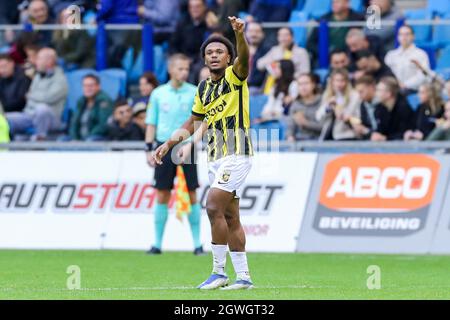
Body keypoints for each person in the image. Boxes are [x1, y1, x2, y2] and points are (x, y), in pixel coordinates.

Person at [153, 17, 254, 290]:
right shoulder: (203, 88)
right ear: (204, 59)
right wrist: (168, 144)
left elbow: (245, 58)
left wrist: (239, 35)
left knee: (211, 206)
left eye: (220, 51)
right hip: (215, 156)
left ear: (229, 57)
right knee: (231, 216)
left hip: (237, 153)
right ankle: (244, 277)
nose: (214, 55)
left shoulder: (235, 76)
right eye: (209, 52)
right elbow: (193, 122)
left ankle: (219, 272)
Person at [145, 54, 203, 255]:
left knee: (192, 192)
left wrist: (192, 144)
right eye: (180, 69)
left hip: (187, 145)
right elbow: (151, 123)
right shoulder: (158, 94)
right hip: (163, 145)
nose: (184, 72)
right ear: (171, 70)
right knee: (162, 193)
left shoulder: (195, 92)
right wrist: (148, 148)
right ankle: (157, 244)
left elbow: (201, 122)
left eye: (186, 69)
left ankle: (198, 244)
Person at [6, 48, 68, 140]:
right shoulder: (38, 76)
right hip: (30, 115)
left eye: (39, 58)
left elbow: (48, 98)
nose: (36, 62)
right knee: (4, 117)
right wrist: (33, 96)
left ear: (49, 61)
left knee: (42, 109)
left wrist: (31, 96)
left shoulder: (61, 79)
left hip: (52, 119)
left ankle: (39, 141)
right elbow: (30, 97)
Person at [307, 0, 365, 68]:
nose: (334, 4)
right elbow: (310, 43)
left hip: (351, 57)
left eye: (338, 2)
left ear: (347, 3)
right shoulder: (323, 19)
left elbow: (361, 42)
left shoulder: (358, 19)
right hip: (326, 58)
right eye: (333, 2)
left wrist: (348, 54)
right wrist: (325, 54)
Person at [316, 68, 361, 140]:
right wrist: (328, 107)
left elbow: (348, 115)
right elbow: (318, 117)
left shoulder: (354, 95)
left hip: (348, 135)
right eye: (337, 80)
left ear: (347, 81)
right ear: (332, 81)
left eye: (342, 80)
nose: (339, 84)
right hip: (329, 135)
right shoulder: (327, 95)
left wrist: (337, 107)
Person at [385, 25, 430, 95]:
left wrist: (405, 85)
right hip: (392, 89)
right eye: (401, 34)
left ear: (413, 36)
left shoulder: (421, 54)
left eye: (407, 34)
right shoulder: (391, 55)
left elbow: (424, 75)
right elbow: (386, 72)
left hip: (413, 90)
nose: (404, 37)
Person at [69, 74, 113, 141]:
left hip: (96, 138)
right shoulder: (81, 101)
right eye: (85, 86)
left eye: (91, 86)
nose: (88, 88)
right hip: (80, 139)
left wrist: (86, 138)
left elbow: (103, 125)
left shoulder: (104, 101)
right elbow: (74, 123)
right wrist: (75, 138)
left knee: (90, 140)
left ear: (98, 86)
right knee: (62, 140)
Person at [372, 76, 415, 141]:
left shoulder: (404, 108)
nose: (376, 93)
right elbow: (380, 129)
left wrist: (386, 138)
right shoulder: (379, 109)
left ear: (388, 93)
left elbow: (406, 133)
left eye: (379, 90)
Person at [287, 73, 323, 141]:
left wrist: (305, 123)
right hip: (299, 141)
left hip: (319, 142)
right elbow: (290, 126)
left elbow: (324, 127)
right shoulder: (295, 104)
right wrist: (290, 136)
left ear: (313, 85)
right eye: (300, 84)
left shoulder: (322, 102)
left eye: (306, 83)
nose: (303, 87)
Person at [352, 75, 390, 140]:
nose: (359, 96)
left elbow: (387, 129)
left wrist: (366, 131)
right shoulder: (363, 105)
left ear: (371, 88)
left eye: (361, 92)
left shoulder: (384, 103)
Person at [245, 21, 269, 94]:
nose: (254, 34)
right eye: (250, 31)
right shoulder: (237, 50)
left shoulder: (269, 52)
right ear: (245, 33)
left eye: (257, 31)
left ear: (263, 34)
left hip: (256, 88)